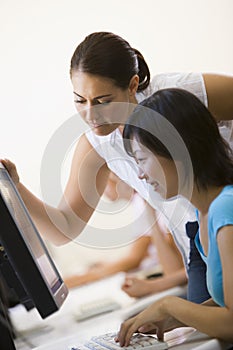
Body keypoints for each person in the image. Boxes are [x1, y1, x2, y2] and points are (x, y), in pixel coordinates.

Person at [1, 32, 233, 303]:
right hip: (195, 237)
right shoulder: (97, 144)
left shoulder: (179, 94)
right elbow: (64, 228)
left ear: (133, 85)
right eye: (80, 100)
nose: (90, 114)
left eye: (103, 101)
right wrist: (15, 185)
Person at [116, 88, 233, 345]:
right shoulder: (204, 214)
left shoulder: (226, 209)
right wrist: (177, 318)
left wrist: (170, 306)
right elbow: (226, 300)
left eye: (142, 159)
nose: (140, 175)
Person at [64, 172, 187, 291]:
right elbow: (144, 251)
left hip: (171, 274)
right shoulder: (139, 202)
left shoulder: (141, 201)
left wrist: (82, 278)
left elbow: (134, 259)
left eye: (105, 182)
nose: (102, 192)